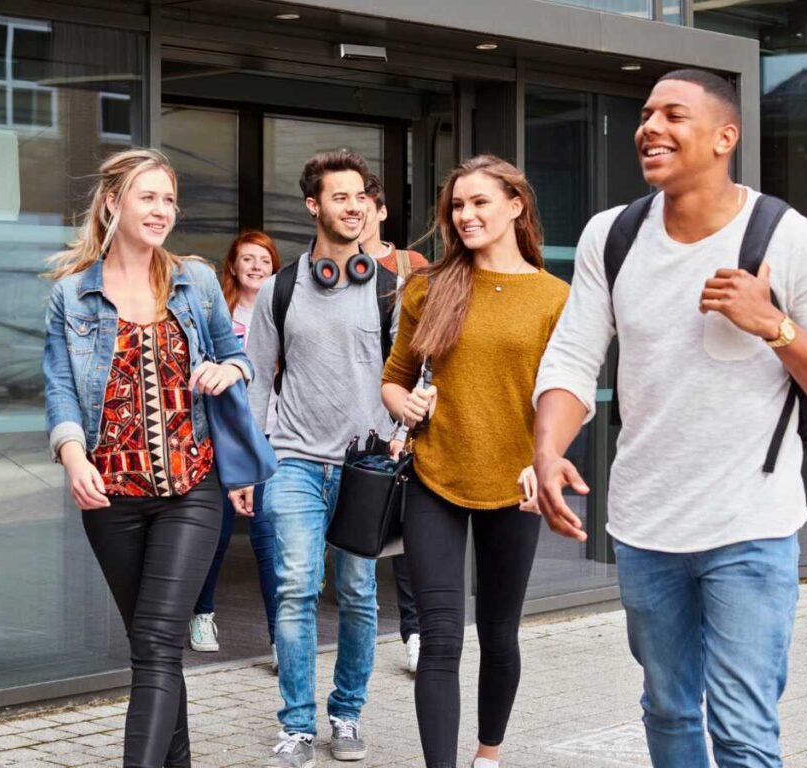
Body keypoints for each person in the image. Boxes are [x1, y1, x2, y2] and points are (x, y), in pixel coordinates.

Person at [533, 69, 807, 768]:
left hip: (751, 529)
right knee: (670, 709)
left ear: (723, 137)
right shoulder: (611, 237)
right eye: (646, 114)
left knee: (742, 729)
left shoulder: (791, 241)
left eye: (673, 115)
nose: (649, 127)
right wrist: (548, 448)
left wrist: (776, 327)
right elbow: (571, 358)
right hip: (645, 526)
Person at [43, 148, 253, 768]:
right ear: (114, 203)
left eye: (168, 199)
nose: (162, 210)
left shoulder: (195, 279)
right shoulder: (72, 295)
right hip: (110, 496)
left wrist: (226, 368)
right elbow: (59, 388)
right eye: (148, 197)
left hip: (192, 486)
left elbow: (238, 357)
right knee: (151, 648)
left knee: (159, 642)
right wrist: (73, 457)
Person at [382, 154, 570, 768]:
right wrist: (403, 405)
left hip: (517, 482)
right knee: (439, 636)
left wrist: (546, 461)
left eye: (479, 203)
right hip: (434, 476)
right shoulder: (429, 286)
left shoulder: (554, 298)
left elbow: (564, 396)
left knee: (498, 631)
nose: (464, 216)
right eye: (457, 206)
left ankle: (487, 756)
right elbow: (394, 379)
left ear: (517, 206)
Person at [231, 149, 389, 768]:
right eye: (340, 197)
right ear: (313, 205)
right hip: (292, 460)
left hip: (364, 470)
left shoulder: (389, 289)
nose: (352, 208)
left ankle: (345, 713)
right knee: (297, 585)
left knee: (357, 591)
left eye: (361, 198)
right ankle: (296, 726)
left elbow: (405, 376)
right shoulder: (282, 288)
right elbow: (257, 385)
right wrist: (249, 462)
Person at [188, 231, 281, 671]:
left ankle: (280, 636)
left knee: (268, 541)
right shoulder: (218, 313)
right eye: (248, 259)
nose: (256, 266)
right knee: (216, 536)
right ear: (234, 266)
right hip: (221, 442)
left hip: (268, 438)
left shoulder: (284, 310)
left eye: (264, 259)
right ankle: (202, 614)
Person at [359, 173, 427, 674]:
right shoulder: (317, 270)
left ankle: (415, 629)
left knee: (402, 522)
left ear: (380, 211)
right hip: (349, 408)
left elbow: (421, 350)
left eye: (366, 202)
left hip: (397, 405)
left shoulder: (413, 269)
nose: (357, 210)